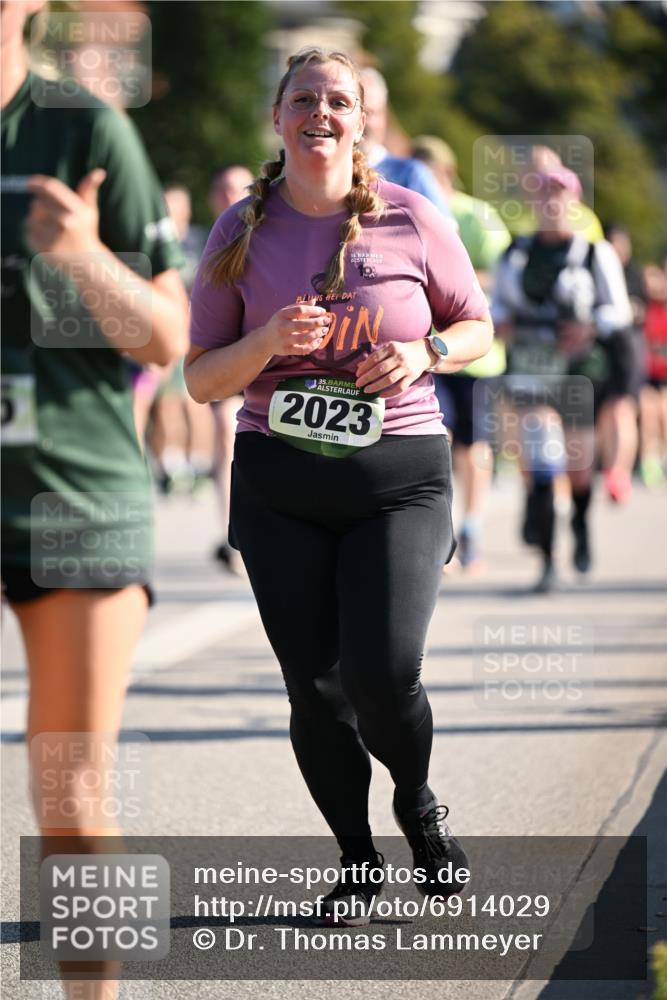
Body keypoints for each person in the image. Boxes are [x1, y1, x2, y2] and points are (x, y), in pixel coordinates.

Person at [185, 47, 493, 923]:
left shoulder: (411, 216)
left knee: (382, 671)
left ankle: (417, 803)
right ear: (277, 117)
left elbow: (477, 325)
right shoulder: (238, 230)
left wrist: (425, 351)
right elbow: (200, 379)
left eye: (337, 101)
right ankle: (356, 861)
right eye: (303, 99)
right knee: (313, 691)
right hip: (279, 484)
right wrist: (266, 343)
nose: (319, 114)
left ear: (363, 121)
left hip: (398, 478)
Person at [1, 2, 188, 995]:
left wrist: (80, 255)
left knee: (70, 801)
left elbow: (166, 336)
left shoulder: (80, 127)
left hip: (73, 497)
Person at [492, 166, 632, 593]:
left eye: (559, 194)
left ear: (574, 200)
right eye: (542, 194)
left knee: (579, 469)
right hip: (531, 367)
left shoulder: (594, 253)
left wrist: (589, 327)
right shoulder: (515, 252)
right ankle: (548, 560)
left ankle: (581, 524)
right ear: (532, 202)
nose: (550, 202)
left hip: (579, 370)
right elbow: (495, 304)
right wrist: (502, 323)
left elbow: (619, 311)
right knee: (540, 453)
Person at [413, 134, 512, 569]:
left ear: (448, 173)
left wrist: (449, 280)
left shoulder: (478, 216)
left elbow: (505, 274)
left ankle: (472, 525)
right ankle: (442, 528)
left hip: (477, 355)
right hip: (427, 353)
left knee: (474, 446)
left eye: (428, 176)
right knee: (439, 438)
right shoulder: (410, 213)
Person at [207, 166, 254, 571]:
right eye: (223, 189)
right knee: (226, 429)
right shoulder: (207, 240)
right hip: (227, 356)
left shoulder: (272, 232)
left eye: (238, 188)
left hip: (272, 357)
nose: (230, 195)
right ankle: (233, 535)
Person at [358, 67, 454, 222]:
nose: (363, 122)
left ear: (384, 117)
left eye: (370, 113)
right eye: (356, 111)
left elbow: (446, 231)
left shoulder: (411, 174)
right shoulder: (324, 173)